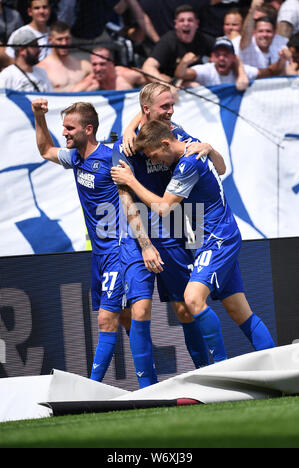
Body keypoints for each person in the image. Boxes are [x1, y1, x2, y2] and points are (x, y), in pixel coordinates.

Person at [111, 119, 275, 364]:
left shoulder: (187, 164)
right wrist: (209, 147)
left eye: (154, 155)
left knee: (192, 299)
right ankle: (275, 367)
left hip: (217, 240)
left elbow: (163, 208)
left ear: (166, 143)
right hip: (216, 236)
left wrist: (131, 181)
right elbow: (221, 168)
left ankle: (220, 369)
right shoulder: (192, 145)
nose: (154, 161)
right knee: (239, 311)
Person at [111, 82, 228, 388]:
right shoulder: (124, 147)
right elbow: (127, 200)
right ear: (146, 110)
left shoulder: (175, 131)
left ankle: (210, 376)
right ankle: (146, 389)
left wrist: (208, 147)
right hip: (139, 239)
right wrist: (145, 245)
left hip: (176, 232)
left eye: (172, 105)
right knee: (138, 309)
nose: (171, 112)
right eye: (165, 106)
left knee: (183, 308)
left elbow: (216, 164)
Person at [31, 98, 133, 383]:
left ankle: (91, 387)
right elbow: (45, 149)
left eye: (69, 128)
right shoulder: (75, 158)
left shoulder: (113, 156)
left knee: (105, 319)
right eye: (63, 127)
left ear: (88, 129)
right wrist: (38, 116)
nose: (64, 133)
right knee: (125, 318)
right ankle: (150, 379)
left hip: (119, 250)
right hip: (98, 254)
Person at [174, 35, 285, 90]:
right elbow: (180, 74)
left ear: (233, 57)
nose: (221, 58)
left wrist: (282, 59)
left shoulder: (241, 69)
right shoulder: (207, 70)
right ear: (212, 57)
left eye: (226, 55)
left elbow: (270, 72)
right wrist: (183, 63)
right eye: (218, 55)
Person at [142, 4, 214, 84]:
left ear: (197, 23)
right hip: (170, 83)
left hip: (194, 81)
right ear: (176, 24)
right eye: (182, 20)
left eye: (190, 20)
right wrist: (165, 85)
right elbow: (147, 67)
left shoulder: (204, 40)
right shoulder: (168, 41)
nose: (186, 24)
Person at [37, 21, 92, 92]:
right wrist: (76, 91)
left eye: (67, 38)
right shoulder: (42, 69)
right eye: (59, 39)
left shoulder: (83, 65)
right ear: (50, 40)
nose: (64, 43)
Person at [232, 3, 288, 68]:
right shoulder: (245, 41)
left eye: (268, 31)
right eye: (254, 20)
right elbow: (245, 37)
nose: (264, 34)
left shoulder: (282, 42)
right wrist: (253, 9)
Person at [72, 47, 146, 92]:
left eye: (102, 64)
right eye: (94, 64)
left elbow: (153, 81)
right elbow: (70, 96)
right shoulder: (91, 81)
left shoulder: (125, 75)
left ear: (111, 63)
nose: (98, 69)